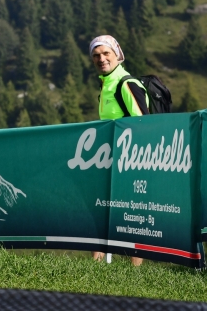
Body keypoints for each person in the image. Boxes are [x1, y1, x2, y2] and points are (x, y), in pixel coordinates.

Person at [89, 34, 148, 266]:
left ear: (117, 55)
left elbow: (144, 124)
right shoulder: (106, 85)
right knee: (100, 210)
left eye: (106, 54)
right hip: (109, 160)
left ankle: (134, 273)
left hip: (131, 161)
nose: (101, 59)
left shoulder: (126, 83)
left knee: (133, 215)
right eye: (96, 56)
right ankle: (96, 267)